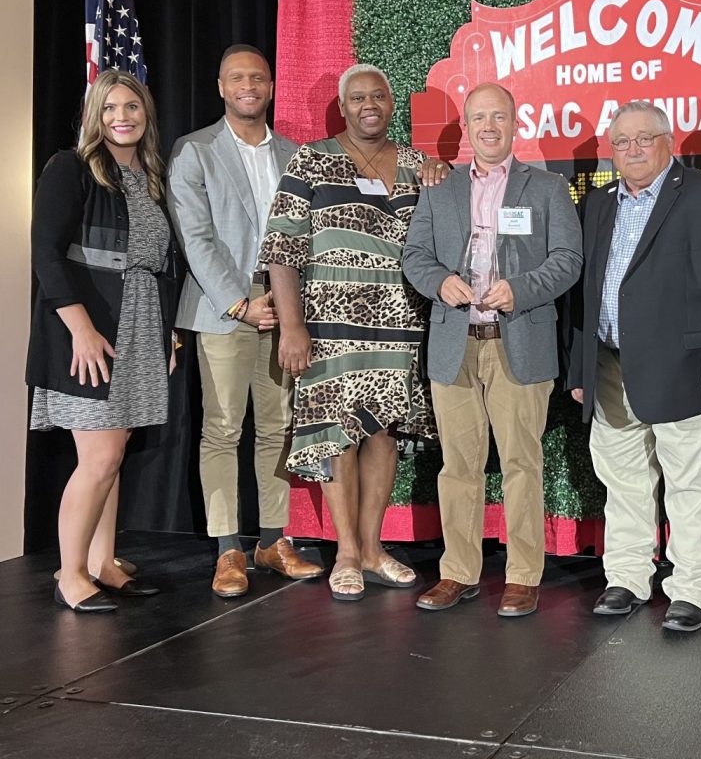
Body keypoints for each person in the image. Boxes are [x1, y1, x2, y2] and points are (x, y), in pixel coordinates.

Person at [565, 101, 701, 632]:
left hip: (687, 367)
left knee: (694, 483)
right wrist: (580, 369)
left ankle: (692, 588)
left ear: (669, 142)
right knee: (622, 479)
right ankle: (626, 577)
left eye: (643, 139)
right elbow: (586, 291)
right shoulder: (600, 203)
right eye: (621, 142)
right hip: (608, 366)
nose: (632, 151)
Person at [261, 63, 445, 602]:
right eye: (358, 98)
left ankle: (371, 547)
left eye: (379, 96)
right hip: (328, 327)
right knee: (336, 434)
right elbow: (282, 247)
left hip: (399, 325)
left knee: (382, 433)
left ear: (391, 104)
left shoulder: (416, 163)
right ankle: (344, 551)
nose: (369, 105)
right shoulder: (312, 159)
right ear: (343, 108)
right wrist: (291, 326)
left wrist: (442, 171)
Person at [403, 82, 582, 618]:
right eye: (478, 117)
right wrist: (440, 283)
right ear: (466, 126)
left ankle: (524, 574)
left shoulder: (547, 187)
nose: (488, 126)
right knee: (457, 465)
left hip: (518, 340)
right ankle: (458, 571)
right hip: (455, 343)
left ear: (513, 123)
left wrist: (521, 289)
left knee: (522, 463)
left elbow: (568, 258)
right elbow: (415, 254)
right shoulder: (439, 190)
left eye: (498, 117)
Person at [167, 44, 322, 597]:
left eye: (257, 77)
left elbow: (309, 234)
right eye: (237, 77)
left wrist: (286, 304)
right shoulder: (195, 151)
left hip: (284, 303)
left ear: (271, 86)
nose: (248, 85)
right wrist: (240, 303)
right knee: (224, 428)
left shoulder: (295, 154)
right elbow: (196, 239)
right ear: (220, 86)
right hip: (221, 307)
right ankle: (228, 547)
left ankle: (273, 540)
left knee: (277, 426)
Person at [29, 69, 180, 612]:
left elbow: (161, 266)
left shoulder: (149, 176)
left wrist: (166, 335)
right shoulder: (71, 168)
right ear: (96, 115)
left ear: (146, 115)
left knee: (113, 454)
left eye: (133, 107)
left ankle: (103, 562)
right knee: (97, 455)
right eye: (112, 107)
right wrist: (82, 330)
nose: (123, 116)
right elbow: (47, 254)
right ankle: (70, 574)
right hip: (84, 329)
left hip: (140, 323)